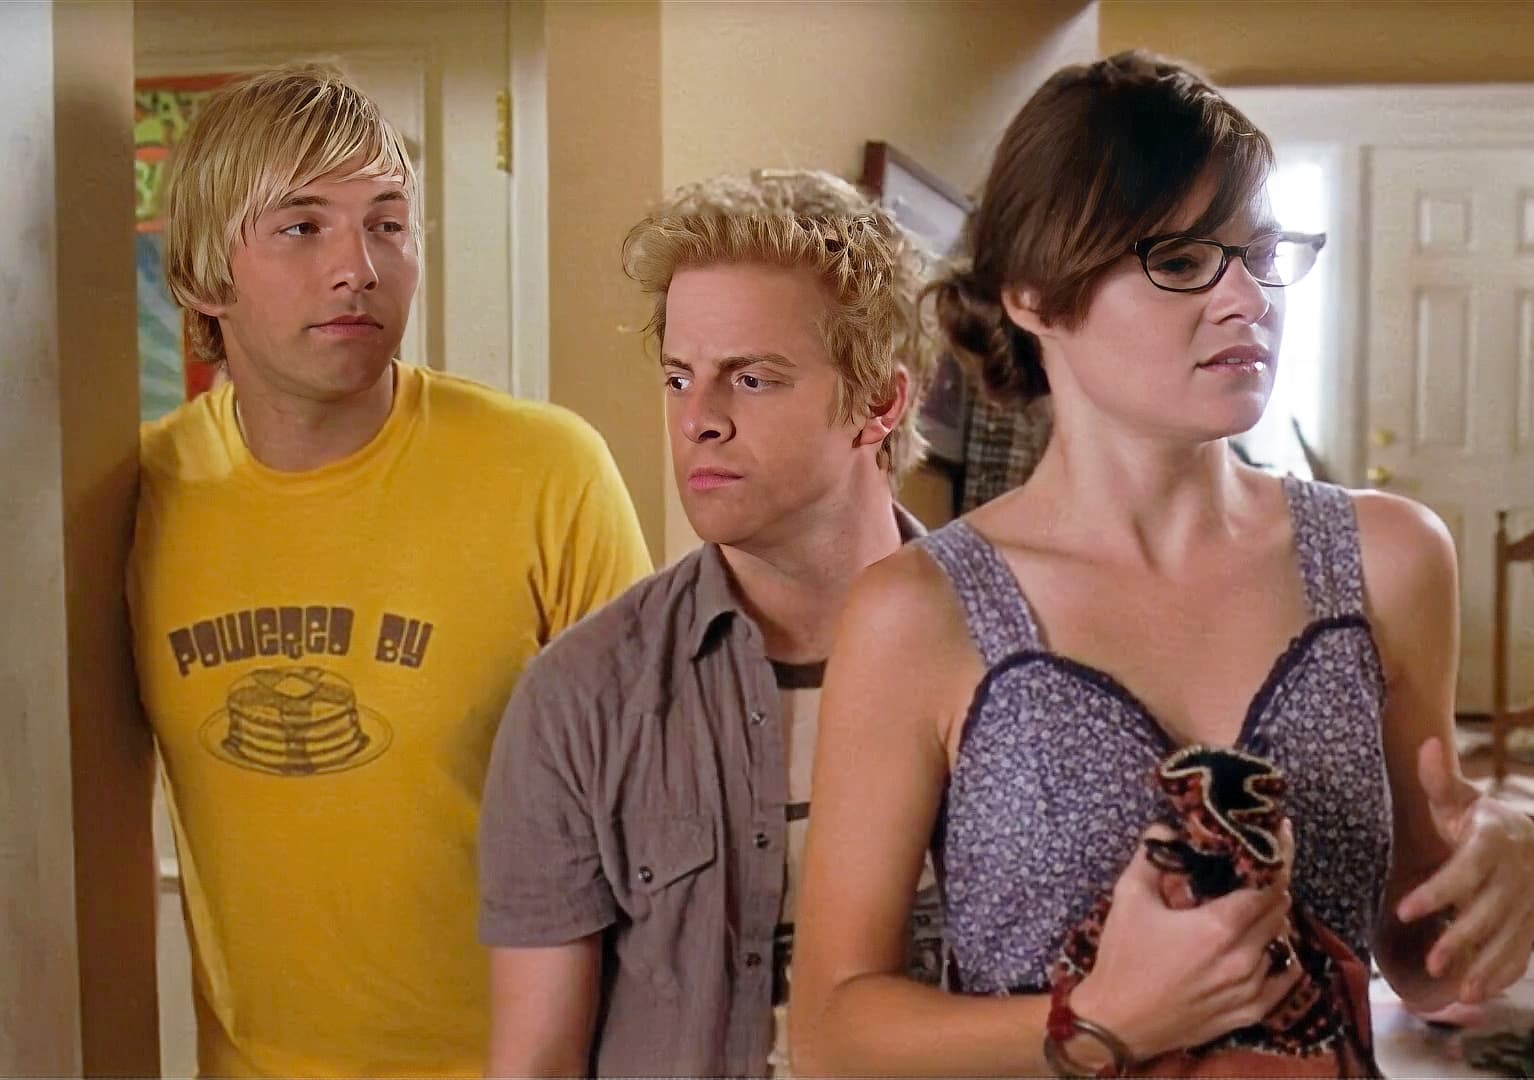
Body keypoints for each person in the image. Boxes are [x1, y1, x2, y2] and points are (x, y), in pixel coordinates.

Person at [790, 51, 1534, 1076]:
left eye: (1263, 254)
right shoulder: (920, 610)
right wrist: (1102, 1022)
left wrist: (1500, 867)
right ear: (1034, 294)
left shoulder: (1390, 561)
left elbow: (1421, 963)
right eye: (1184, 262)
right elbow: (831, 1034)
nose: (1249, 299)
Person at [130, 63, 650, 1077]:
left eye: (388, 224)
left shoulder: (547, 469)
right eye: (302, 226)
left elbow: (655, 814)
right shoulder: (139, 495)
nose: (358, 267)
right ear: (200, 276)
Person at [476, 169, 942, 1077]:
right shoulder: (582, 698)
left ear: (880, 405)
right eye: (680, 378)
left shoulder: (1007, 659)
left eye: (752, 380)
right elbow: (537, 1062)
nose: (699, 421)